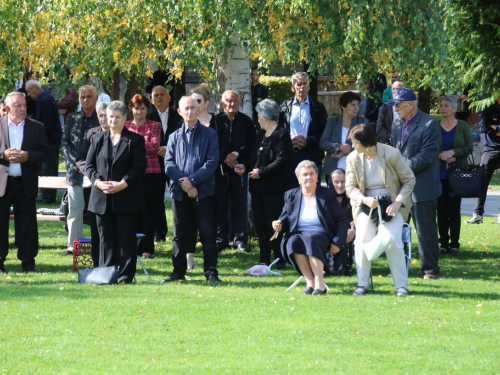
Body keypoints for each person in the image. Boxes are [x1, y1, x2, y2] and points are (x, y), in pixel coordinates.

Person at [346, 124, 415, 296]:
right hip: (366, 204)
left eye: (355, 143)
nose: (353, 146)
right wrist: (364, 199)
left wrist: (397, 202)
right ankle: (362, 285)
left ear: (367, 143)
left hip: (392, 204)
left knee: (393, 242)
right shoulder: (353, 158)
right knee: (361, 241)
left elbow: (409, 180)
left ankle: (401, 286)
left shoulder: (391, 154)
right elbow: (350, 187)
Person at [85, 101, 146, 284]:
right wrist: (98, 183)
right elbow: (88, 165)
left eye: (117, 117)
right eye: (110, 116)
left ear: (125, 119)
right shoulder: (97, 139)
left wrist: (122, 184)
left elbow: (139, 167)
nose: (112, 120)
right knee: (105, 239)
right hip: (101, 198)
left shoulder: (135, 140)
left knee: (126, 238)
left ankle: (126, 276)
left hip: (126, 197)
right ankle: (106, 275)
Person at [163, 96, 221, 283]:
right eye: (185, 108)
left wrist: (193, 182)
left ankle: (211, 272)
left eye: (192, 108)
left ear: (198, 110)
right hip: (180, 193)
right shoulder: (173, 137)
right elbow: (169, 164)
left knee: (207, 233)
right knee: (179, 235)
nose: (189, 111)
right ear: (179, 112)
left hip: (203, 192)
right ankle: (178, 272)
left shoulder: (210, 134)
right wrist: (185, 184)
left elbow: (211, 163)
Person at [272, 160, 349, 295]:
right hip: (299, 233)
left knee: (311, 239)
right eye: (305, 174)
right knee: (293, 241)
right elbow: (284, 219)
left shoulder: (328, 194)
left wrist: (338, 242)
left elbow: (342, 220)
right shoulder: (291, 195)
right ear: (298, 179)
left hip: (322, 234)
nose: (309, 177)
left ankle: (320, 284)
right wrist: (278, 224)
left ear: (317, 177)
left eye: (312, 174)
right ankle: (310, 282)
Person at [390, 88, 442, 280]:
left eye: (398, 105)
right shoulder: (396, 123)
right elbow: (396, 151)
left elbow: (427, 156)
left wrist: (401, 169)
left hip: (423, 186)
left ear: (410, 104)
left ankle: (430, 270)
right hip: (401, 188)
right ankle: (398, 267)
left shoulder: (429, 123)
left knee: (425, 231)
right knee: (396, 229)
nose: (395, 109)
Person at [234, 99, 292, 269]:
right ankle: (264, 259)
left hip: (274, 189)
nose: (257, 117)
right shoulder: (260, 135)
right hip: (257, 188)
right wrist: (245, 167)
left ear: (265, 116)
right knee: (260, 224)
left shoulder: (282, 135)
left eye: (258, 114)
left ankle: (279, 257)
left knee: (272, 224)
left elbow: (282, 161)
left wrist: (262, 172)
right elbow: (255, 159)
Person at [0, 92, 49, 273]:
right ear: (7, 109)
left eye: (24, 105)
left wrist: (28, 156)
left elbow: (45, 153)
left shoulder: (37, 127)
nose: (22, 109)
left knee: (27, 225)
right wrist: (3, 154)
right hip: (2, 183)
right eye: (18, 106)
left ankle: (28, 263)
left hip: (25, 184)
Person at [189, 84, 229, 267]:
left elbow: (223, 147)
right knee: (188, 214)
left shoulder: (218, 121)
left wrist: (208, 165)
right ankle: (189, 252)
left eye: (198, 101)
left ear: (207, 102)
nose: (195, 105)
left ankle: (214, 247)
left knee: (212, 211)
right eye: (192, 101)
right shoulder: (186, 119)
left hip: (213, 174)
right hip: (189, 177)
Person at [215, 90, 256, 252]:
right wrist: (226, 159)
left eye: (235, 101)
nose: (232, 104)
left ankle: (240, 240)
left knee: (240, 205)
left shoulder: (246, 121)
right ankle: (221, 239)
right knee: (220, 205)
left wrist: (238, 157)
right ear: (222, 102)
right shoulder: (216, 121)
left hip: (240, 169)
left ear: (240, 103)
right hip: (220, 170)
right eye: (228, 101)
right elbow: (214, 144)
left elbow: (252, 144)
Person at [61, 85, 100, 256]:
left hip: (97, 173)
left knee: (96, 211)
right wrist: (77, 162)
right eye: (82, 97)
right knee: (75, 211)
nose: (86, 100)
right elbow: (65, 142)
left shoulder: (102, 119)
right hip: (75, 173)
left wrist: (90, 165)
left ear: (96, 98)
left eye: (89, 97)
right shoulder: (72, 118)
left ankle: (98, 243)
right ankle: (73, 245)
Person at [125, 94, 162, 259]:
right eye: (136, 108)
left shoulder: (155, 125)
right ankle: (133, 246)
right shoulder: (125, 126)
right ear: (131, 109)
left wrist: (134, 150)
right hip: (131, 173)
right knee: (132, 210)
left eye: (142, 108)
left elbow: (154, 146)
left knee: (148, 211)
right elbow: (121, 147)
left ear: (148, 109)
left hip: (151, 173)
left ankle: (147, 248)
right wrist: (141, 151)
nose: (139, 111)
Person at [437, 96, 473, 256]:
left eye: (446, 106)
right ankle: (443, 243)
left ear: (454, 108)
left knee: (454, 209)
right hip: (439, 174)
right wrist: (441, 155)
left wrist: (453, 153)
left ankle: (454, 244)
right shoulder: (435, 125)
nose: (443, 108)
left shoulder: (463, 126)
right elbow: (429, 146)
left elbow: (469, 148)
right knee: (441, 209)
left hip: (456, 174)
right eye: (441, 106)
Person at [278, 72, 328, 188]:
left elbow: (325, 132)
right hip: (290, 155)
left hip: (312, 154)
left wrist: (308, 141)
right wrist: (288, 141)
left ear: (309, 86)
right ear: (292, 87)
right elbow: (278, 130)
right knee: (291, 192)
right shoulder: (284, 107)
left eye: (305, 84)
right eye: (299, 84)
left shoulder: (318, 107)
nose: (302, 87)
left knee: (313, 191)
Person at [76, 101, 110, 266]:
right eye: (100, 115)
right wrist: (91, 174)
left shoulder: (119, 134)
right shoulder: (91, 134)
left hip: (114, 185)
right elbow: (81, 158)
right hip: (93, 184)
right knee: (95, 225)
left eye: (106, 115)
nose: (103, 119)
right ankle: (97, 261)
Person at [149, 85, 181, 242]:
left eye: (162, 94)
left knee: (177, 198)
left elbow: (182, 137)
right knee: (155, 199)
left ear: (169, 98)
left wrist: (169, 149)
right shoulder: (148, 117)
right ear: (152, 100)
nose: (160, 97)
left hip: (175, 163)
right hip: (155, 164)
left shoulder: (179, 116)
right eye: (156, 95)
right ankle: (159, 233)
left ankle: (179, 233)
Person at [320, 91, 368, 185]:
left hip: (355, 168)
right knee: (333, 198)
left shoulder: (363, 122)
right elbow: (323, 142)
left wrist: (343, 153)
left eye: (357, 105)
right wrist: (339, 147)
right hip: (333, 169)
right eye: (353, 105)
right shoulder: (332, 122)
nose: (356, 108)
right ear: (343, 106)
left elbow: (365, 144)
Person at [25, 80, 62, 204]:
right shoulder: (42, 99)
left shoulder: (45, 100)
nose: (29, 95)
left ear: (36, 88)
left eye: (29, 91)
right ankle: (46, 195)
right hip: (49, 139)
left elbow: (47, 124)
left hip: (50, 140)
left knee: (48, 168)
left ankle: (48, 197)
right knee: (45, 167)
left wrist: (38, 138)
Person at [466, 96, 500, 225]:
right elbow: (483, 127)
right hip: (490, 150)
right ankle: (478, 214)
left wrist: (495, 128)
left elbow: (489, 128)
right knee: (482, 183)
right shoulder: (488, 108)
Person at [330, 169, 356, 276]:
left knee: (348, 234)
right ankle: (336, 265)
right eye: (336, 182)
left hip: (350, 230)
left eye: (343, 181)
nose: (340, 185)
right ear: (331, 183)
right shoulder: (326, 198)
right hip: (332, 230)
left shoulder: (353, 198)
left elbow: (358, 216)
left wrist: (353, 228)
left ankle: (346, 265)